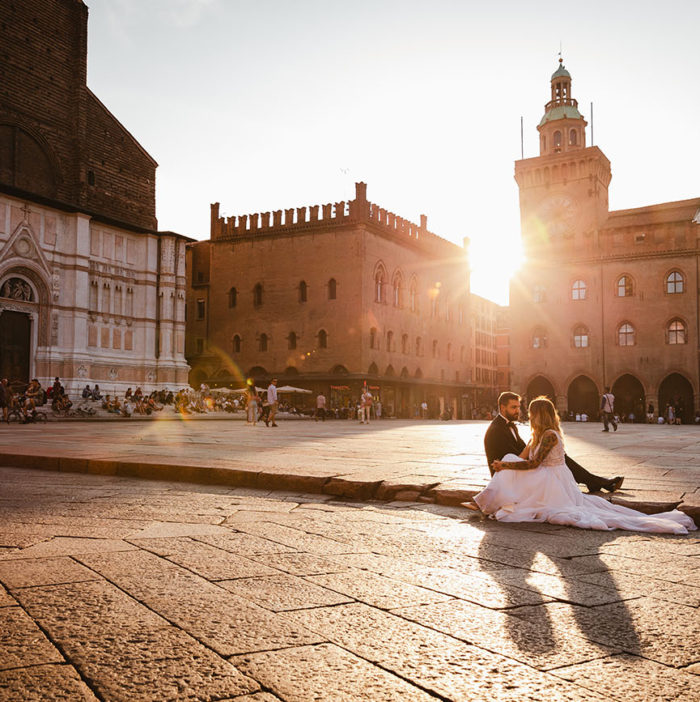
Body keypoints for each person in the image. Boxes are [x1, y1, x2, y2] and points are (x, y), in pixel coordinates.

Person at [468, 396, 696, 534]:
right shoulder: (536, 435)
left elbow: (533, 463)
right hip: (542, 475)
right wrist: (504, 464)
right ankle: (487, 500)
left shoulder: (549, 435)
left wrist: (506, 468)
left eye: (529, 412)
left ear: (539, 415)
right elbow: (522, 457)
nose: (526, 414)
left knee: (510, 467)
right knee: (508, 460)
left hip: (553, 479)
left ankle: (485, 501)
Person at [484, 391, 624, 493]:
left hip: (515, 468)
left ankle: (593, 481)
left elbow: (522, 452)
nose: (518, 411)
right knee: (557, 459)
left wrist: (534, 447)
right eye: (513, 407)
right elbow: (511, 458)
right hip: (507, 476)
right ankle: (594, 481)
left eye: (518, 407)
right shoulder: (497, 429)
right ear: (502, 408)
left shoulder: (509, 425)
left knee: (556, 457)